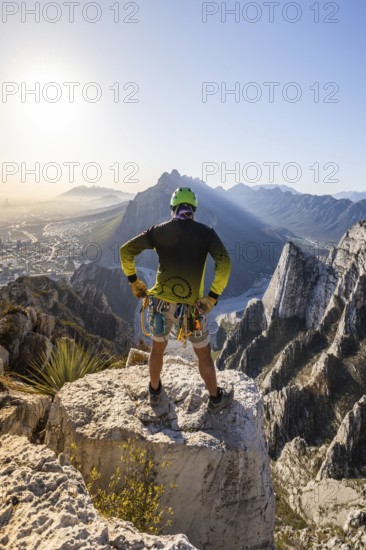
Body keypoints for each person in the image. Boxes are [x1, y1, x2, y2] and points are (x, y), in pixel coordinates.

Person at [120, 186, 233, 411]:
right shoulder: (206, 233)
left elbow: (126, 251)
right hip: (192, 310)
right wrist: (212, 297)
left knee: (157, 349)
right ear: (193, 209)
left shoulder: (158, 231)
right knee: (203, 355)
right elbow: (225, 264)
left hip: (160, 304)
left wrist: (135, 282)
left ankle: (154, 392)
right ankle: (216, 398)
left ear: (173, 209)